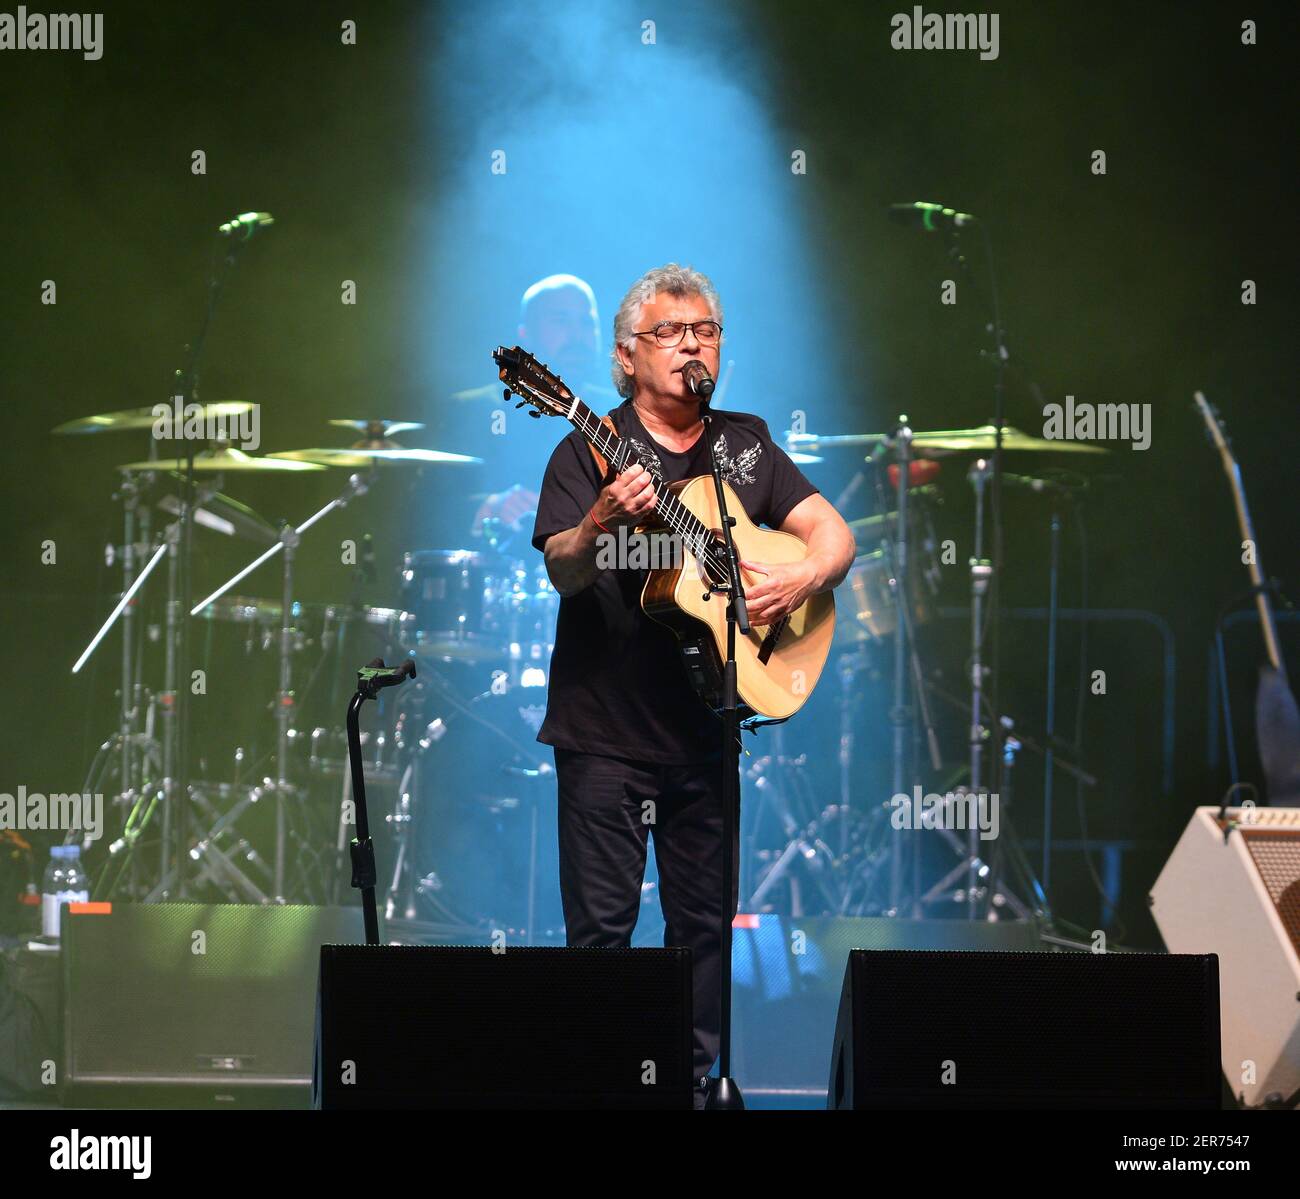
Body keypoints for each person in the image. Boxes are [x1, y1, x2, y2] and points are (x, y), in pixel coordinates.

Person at [530, 263, 855, 1106]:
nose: (690, 344)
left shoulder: (744, 444)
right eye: (670, 332)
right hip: (604, 732)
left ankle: (700, 1086)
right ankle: (600, 1087)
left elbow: (834, 533)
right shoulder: (584, 444)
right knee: (601, 934)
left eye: (704, 331)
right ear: (627, 357)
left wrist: (801, 579)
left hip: (705, 732)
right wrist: (602, 519)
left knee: (705, 930)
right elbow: (564, 571)